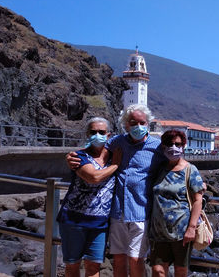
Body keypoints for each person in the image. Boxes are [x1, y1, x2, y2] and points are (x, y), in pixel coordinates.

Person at [66, 104, 165, 277]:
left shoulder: (157, 147)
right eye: (133, 122)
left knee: (136, 260)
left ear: (148, 123)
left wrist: (193, 180)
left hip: (141, 212)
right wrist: (72, 156)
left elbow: (174, 164)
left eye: (142, 122)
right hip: (117, 212)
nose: (138, 126)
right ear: (126, 124)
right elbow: (95, 151)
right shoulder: (117, 142)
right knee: (118, 259)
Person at [58, 117, 120, 277]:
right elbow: (93, 177)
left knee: (93, 268)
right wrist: (115, 166)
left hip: (100, 223)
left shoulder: (115, 155)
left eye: (101, 132)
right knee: (72, 266)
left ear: (109, 135)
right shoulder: (79, 157)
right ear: (87, 134)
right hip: (73, 220)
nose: (97, 135)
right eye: (93, 132)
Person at [149, 129, 205, 277]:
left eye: (178, 144)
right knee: (158, 271)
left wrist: (191, 228)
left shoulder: (190, 170)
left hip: (182, 232)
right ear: (163, 146)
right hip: (158, 232)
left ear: (183, 146)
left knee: (180, 271)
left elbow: (198, 200)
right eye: (169, 144)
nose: (173, 147)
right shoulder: (159, 168)